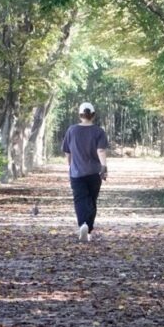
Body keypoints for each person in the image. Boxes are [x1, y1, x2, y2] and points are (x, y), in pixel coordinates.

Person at [61, 102, 108, 242]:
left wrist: (70, 166)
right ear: (93, 115)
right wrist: (104, 168)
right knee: (92, 201)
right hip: (94, 173)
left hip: (76, 173)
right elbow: (101, 150)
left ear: (80, 115)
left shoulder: (71, 130)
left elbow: (67, 152)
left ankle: (83, 224)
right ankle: (88, 230)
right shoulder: (99, 131)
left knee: (80, 200)